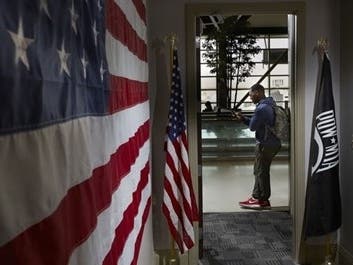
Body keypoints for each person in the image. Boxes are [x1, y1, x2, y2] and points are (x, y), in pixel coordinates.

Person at [232, 84, 281, 209]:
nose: (250, 98)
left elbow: (253, 127)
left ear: (258, 92)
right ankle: (256, 197)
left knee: (261, 172)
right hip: (273, 143)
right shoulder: (270, 104)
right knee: (260, 170)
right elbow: (259, 124)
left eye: (251, 95)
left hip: (265, 144)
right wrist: (244, 118)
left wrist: (243, 119)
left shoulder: (261, 109)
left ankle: (263, 200)